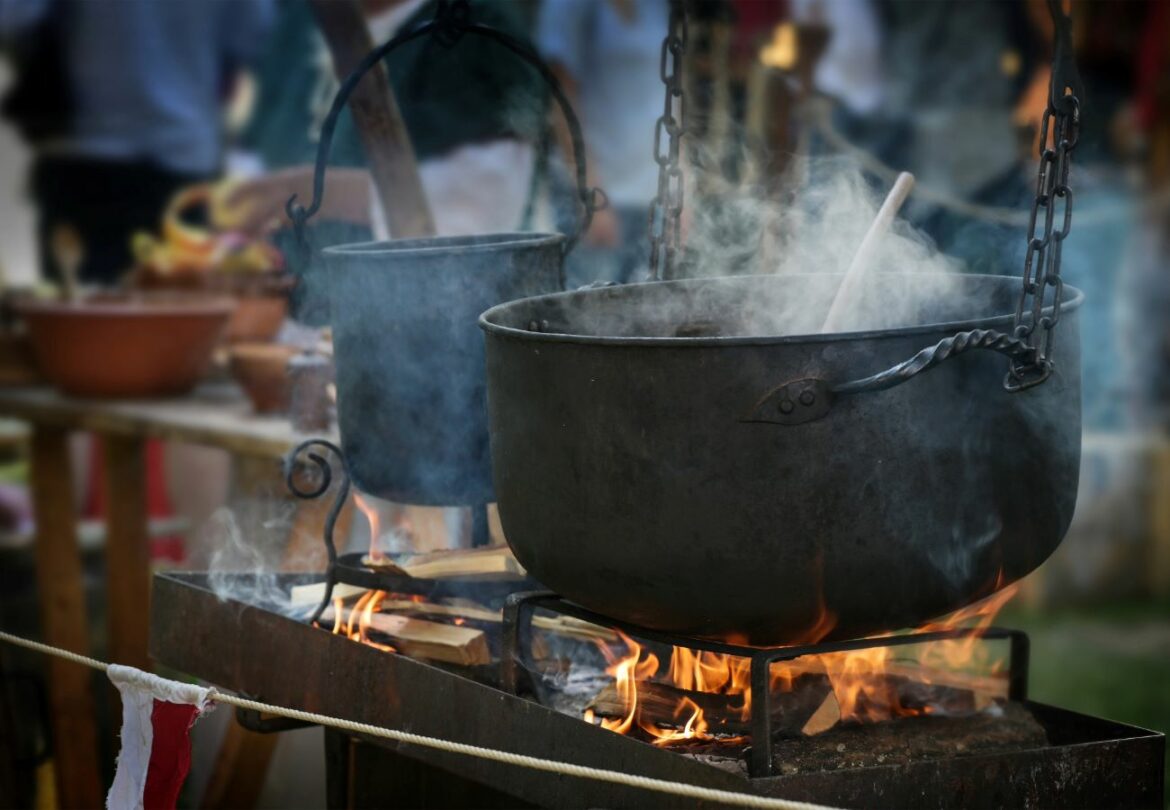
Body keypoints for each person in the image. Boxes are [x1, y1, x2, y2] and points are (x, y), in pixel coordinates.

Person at [0, 0, 275, 285]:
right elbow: (246, 42)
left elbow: (16, 19)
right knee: (184, 306)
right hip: (187, 157)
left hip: (86, 160)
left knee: (80, 305)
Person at [536, 0, 668, 287]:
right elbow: (561, 99)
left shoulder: (655, 5)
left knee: (649, 301)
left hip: (650, 193)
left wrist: (683, 189)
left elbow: (669, 96)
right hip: (595, 193)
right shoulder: (568, 5)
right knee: (590, 301)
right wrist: (591, 194)